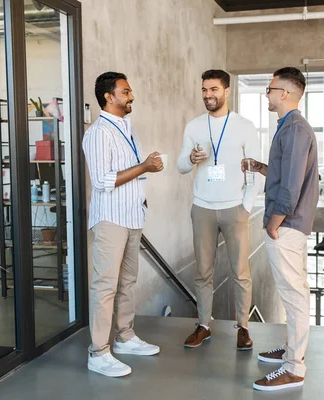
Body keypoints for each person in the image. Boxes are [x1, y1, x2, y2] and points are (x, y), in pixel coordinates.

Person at [242, 67, 319, 391]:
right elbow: (285, 172)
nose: (267, 94)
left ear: (284, 93)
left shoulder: (295, 129)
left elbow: (291, 184)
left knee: (293, 294)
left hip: (286, 224)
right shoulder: (289, 127)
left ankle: (293, 368)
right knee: (293, 292)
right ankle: (291, 352)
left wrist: (274, 222)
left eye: (271, 88)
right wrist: (260, 167)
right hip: (288, 223)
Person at [82, 71, 164, 378]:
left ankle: (125, 336)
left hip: (132, 216)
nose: (132, 96)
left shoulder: (128, 129)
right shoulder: (98, 133)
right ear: (109, 96)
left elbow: (129, 174)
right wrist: (144, 166)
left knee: (128, 282)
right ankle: (98, 352)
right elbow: (103, 181)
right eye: (126, 91)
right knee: (105, 286)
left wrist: (142, 191)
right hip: (111, 220)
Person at [177, 69, 262, 350]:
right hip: (202, 207)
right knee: (203, 272)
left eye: (213, 89)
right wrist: (190, 158)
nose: (208, 95)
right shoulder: (194, 126)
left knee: (240, 272)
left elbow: (256, 169)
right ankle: (204, 325)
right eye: (204, 90)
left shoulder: (244, 126)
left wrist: (246, 206)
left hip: (234, 208)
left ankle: (243, 327)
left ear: (227, 91)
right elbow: (180, 166)